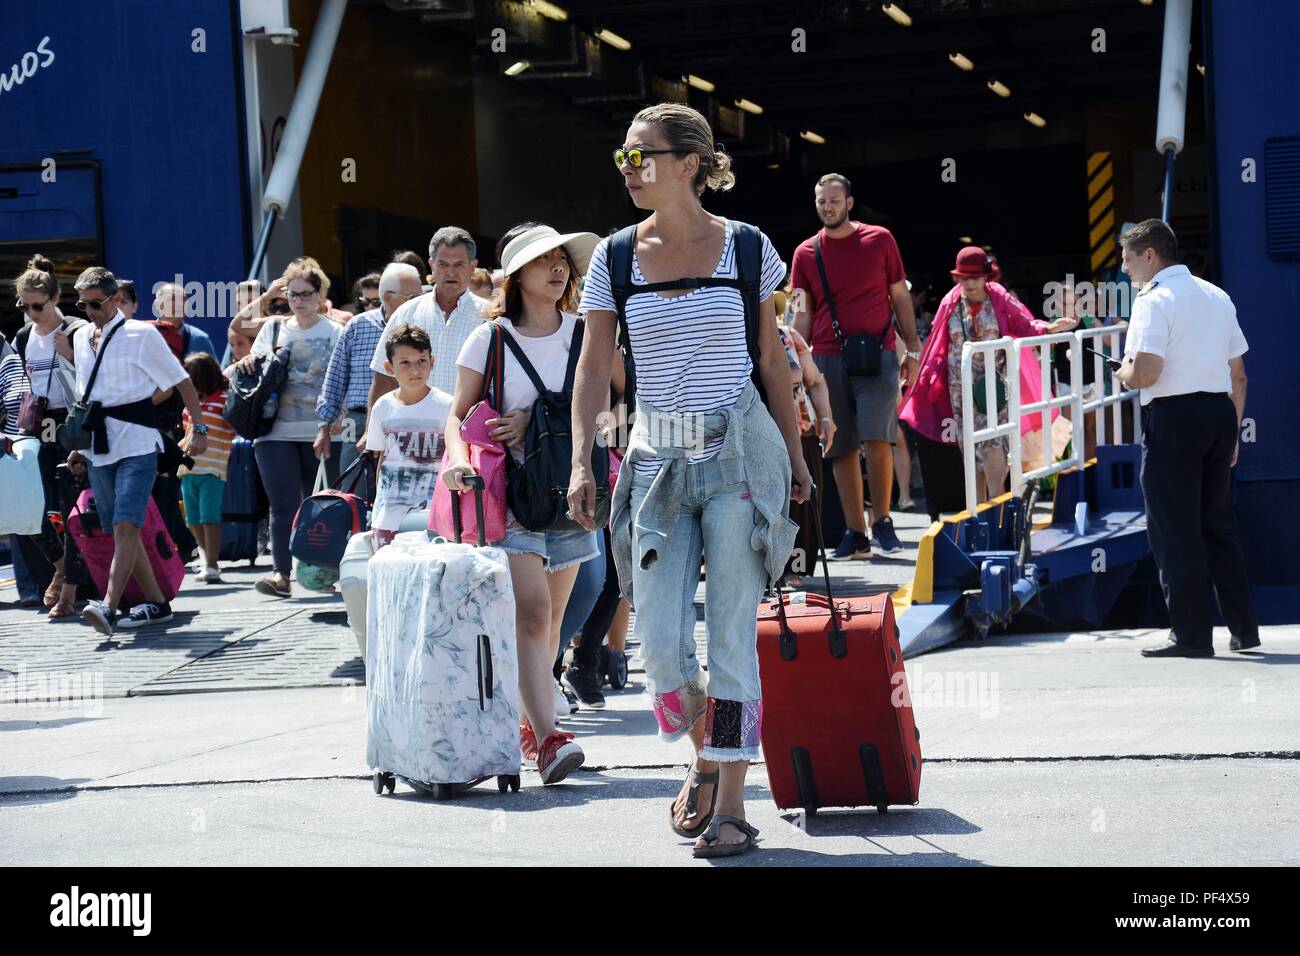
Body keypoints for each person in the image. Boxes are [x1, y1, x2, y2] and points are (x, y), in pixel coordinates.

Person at [568, 103, 810, 857]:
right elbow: (592, 367)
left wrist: (797, 459)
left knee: (735, 633)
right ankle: (708, 749)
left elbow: (772, 361)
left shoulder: (746, 248)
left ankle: (733, 801)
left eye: (643, 155)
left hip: (739, 450)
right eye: (624, 157)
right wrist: (583, 455)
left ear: (692, 165)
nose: (630, 168)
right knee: (664, 646)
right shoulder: (612, 257)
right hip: (656, 461)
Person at [442, 222, 603, 786]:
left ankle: (531, 727)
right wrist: (460, 457)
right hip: (510, 496)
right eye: (543, 262)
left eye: (562, 260)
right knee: (533, 613)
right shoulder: (488, 339)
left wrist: (536, 418)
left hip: (574, 492)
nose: (557, 269)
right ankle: (551, 739)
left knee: (552, 621)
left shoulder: (588, 332)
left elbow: (612, 405)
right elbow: (457, 414)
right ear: (515, 278)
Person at [1114, 219, 1259, 658]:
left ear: (1150, 256)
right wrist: (1233, 430)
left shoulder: (1152, 301)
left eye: (1127, 259)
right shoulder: (1217, 296)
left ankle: (1192, 636)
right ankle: (1244, 631)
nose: (1124, 269)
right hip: (1218, 414)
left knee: (1175, 530)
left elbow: (1148, 371)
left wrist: (1123, 374)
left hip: (1173, 419)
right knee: (1218, 524)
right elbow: (1239, 374)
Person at [67, 268, 207, 635]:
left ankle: (109, 607)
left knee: (127, 523)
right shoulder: (82, 337)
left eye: (95, 303)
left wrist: (200, 428)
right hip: (98, 446)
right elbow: (84, 394)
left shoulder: (141, 334)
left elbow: (181, 382)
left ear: (116, 300)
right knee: (121, 530)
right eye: (82, 304)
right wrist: (78, 445)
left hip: (137, 443)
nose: (89, 310)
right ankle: (157, 603)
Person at [790, 173, 922, 560]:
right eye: (821, 201)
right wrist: (795, 358)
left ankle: (882, 520)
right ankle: (855, 532)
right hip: (828, 354)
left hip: (878, 351)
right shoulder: (805, 253)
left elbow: (899, 295)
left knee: (878, 436)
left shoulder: (880, 239)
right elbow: (801, 312)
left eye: (834, 200)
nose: (827, 207)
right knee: (839, 445)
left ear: (849, 203)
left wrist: (912, 349)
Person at [897, 247, 1075, 515]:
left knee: (994, 443)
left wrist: (1047, 328)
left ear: (986, 277)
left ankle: (997, 509)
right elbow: (936, 342)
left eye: (975, 277)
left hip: (995, 385)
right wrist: (919, 369)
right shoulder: (950, 302)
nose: (969, 283)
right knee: (970, 447)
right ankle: (980, 512)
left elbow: (1023, 323)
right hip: (960, 388)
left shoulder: (999, 297)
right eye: (963, 278)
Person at [234, 257, 342, 598]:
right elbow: (243, 328)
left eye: (305, 294)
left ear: (320, 293)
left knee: (323, 505)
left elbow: (343, 379)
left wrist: (336, 421)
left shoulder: (336, 331)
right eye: (292, 295)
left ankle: (325, 570)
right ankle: (281, 575)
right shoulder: (274, 328)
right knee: (281, 505)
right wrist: (268, 295)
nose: (298, 301)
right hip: (275, 429)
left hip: (322, 429)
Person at [9, 256, 85, 608]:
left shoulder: (74, 329)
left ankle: (69, 583)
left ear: (55, 298)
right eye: (24, 306)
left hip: (69, 421)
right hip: (36, 422)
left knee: (71, 505)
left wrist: (68, 355)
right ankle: (58, 568)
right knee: (31, 504)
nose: (31, 312)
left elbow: (92, 378)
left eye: (37, 305)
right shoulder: (23, 336)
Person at [316, 263, 422, 497]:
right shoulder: (358, 325)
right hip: (358, 419)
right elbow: (336, 376)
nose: (419, 301)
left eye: (421, 295)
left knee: (403, 492)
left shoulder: (423, 326)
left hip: (412, 419)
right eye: (412, 296)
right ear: (388, 297)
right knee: (353, 490)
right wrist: (324, 427)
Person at [365, 228, 490, 426]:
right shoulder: (406, 312)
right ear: (431, 265)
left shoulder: (490, 317)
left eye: (459, 265)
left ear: (473, 266)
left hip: (469, 433)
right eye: (443, 264)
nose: (450, 272)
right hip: (410, 433)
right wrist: (371, 433)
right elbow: (383, 377)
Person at [362, 324, 451, 548]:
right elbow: (381, 460)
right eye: (405, 363)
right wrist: (377, 508)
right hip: (389, 515)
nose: (415, 370)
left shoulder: (448, 406)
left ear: (432, 362)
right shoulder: (382, 407)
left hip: (433, 514)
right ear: (389, 367)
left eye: (421, 361)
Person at [777, 319, 834, 587]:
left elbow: (815, 380)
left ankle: (793, 570)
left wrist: (826, 419)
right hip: (760, 435)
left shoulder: (789, 336)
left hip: (802, 430)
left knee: (803, 506)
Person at [179, 353, 235, 583]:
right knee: (192, 519)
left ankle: (212, 564)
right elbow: (187, 434)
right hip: (187, 471)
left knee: (209, 517)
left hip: (214, 469)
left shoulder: (224, 399)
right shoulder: (189, 407)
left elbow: (232, 427)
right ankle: (205, 560)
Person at [150, 282, 217, 359]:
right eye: (173, 299)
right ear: (157, 304)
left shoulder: (199, 339)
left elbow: (213, 370)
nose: (179, 304)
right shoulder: (145, 336)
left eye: (183, 299)